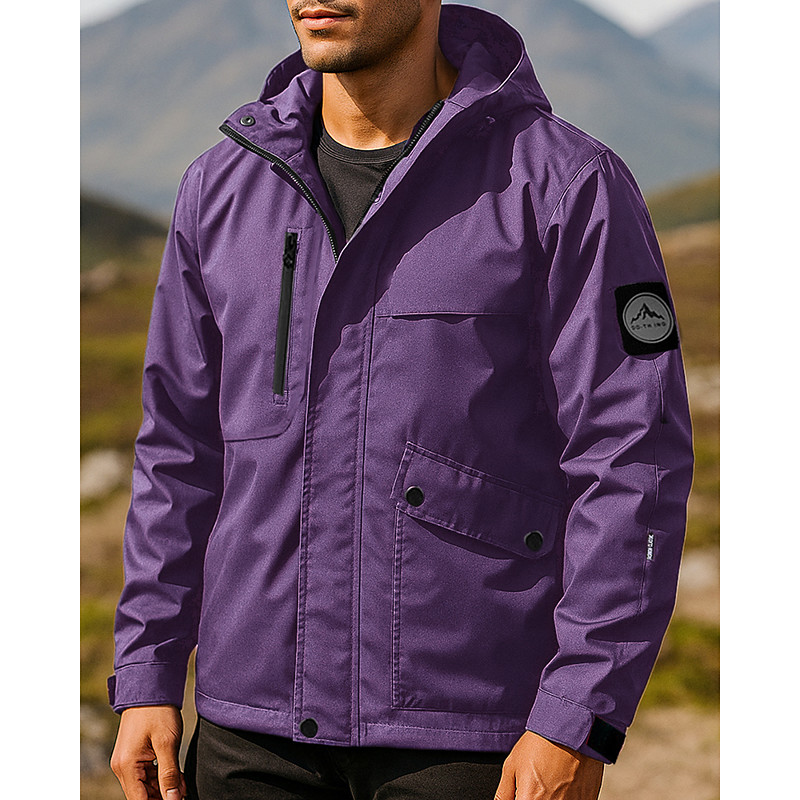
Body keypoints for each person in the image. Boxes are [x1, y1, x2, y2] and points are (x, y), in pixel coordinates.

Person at [107, 1, 694, 798]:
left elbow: (633, 462)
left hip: (469, 736)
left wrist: (578, 712)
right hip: (249, 736)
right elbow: (177, 451)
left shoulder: (566, 185)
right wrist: (147, 669)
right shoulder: (220, 188)